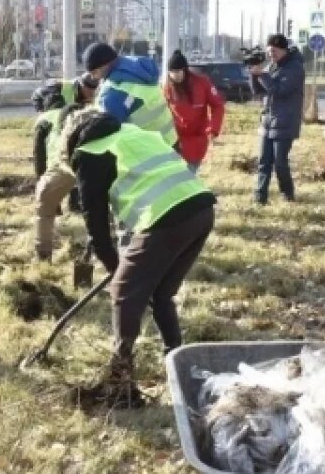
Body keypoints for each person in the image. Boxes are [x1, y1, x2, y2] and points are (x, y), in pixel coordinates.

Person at [67, 109, 216, 409]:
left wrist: (115, 269)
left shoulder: (90, 152)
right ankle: (177, 361)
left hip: (167, 218)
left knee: (123, 293)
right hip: (201, 209)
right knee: (162, 294)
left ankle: (121, 382)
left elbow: (95, 221)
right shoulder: (135, 134)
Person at [32, 77, 97, 260]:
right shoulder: (76, 111)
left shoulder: (43, 119)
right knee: (95, 209)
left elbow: (39, 157)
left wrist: (44, 186)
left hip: (62, 165)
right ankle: (93, 251)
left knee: (44, 203)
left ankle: (43, 254)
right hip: (91, 163)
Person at [81, 42, 177, 148]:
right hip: (170, 141)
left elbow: (107, 132)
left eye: (94, 72)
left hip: (149, 152)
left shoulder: (113, 93)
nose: (93, 78)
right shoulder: (139, 71)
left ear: (104, 65)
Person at [248, 34, 305, 205]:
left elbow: (280, 91)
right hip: (268, 120)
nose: (270, 54)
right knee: (263, 162)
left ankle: (287, 194)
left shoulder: (295, 68)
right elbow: (257, 92)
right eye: (268, 51)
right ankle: (260, 197)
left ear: (283, 49)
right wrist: (253, 74)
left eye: (274, 50)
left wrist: (263, 75)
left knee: (280, 162)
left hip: (285, 121)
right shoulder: (272, 66)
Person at [163, 50, 225, 173]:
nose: (176, 75)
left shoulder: (202, 83)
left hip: (197, 139)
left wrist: (213, 129)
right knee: (174, 177)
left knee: (188, 176)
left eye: (178, 71)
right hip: (175, 139)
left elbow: (218, 106)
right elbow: (162, 111)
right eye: (172, 72)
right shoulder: (167, 87)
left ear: (185, 70)